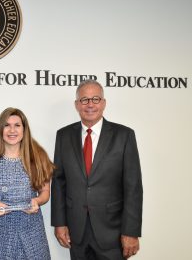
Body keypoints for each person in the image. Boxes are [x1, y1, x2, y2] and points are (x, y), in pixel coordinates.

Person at [51, 80, 143, 260]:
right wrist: (59, 223)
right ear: (77, 104)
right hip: (76, 231)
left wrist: (131, 231)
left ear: (104, 103)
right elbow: (59, 182)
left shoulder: (124, 135)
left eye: (95, 99)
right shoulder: (63, 135)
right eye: (84, 100)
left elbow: (133, 187)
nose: (90, 104)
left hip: (113, 232)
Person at [0, 107, 54, 260]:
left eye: (17, 125)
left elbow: (45, 192)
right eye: (7, 125)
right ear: (0, 129)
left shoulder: (38, 156)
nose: (12, 130)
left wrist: (37, 201)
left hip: (31, 230)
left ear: (24, 129)